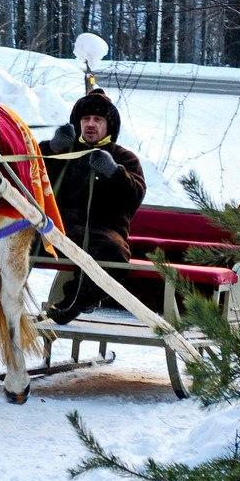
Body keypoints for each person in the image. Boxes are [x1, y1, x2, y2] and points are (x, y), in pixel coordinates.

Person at [39, 88, 146, 324]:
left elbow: (135, 195)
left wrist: (114, 172)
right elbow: (29, 171)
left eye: (97, 119)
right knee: (10, 236)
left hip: (102, 232)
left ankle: (76, 302)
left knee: (114, 252)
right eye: (85, 119)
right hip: (57, 228)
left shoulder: (124, 158)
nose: (90, 124)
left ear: (109, 126)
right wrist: (50, 149)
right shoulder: (64, 151)